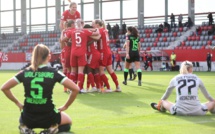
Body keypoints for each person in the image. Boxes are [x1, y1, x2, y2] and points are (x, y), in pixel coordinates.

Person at [1, 44, 79, 134]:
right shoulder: (53, 72)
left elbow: (4, 88)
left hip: (27, 117)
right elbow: (75, 89)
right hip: (49, 115)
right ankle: (49, 131)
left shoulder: (25, 72)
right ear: (49, 56)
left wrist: (18, 103)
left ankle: (26, 129)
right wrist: (66, 106)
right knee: (68, 123)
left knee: (23, 119)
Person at [151, 61, 215, 116]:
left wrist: (161, 101)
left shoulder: (175, 78)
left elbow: (167, 94)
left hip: (179, 111)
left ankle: (160, 107)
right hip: (198, 111)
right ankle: (213, 110)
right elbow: (208, 96)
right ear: (191, 69)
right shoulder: (197, 78)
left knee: (163, 101)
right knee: (212, 102)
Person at [62, 19, 100, 93]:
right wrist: (92, 28)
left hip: (73, 52)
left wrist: (70, 39)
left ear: (75, 24)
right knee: (80, 71)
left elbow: (63, 39)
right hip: (82, 52)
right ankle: (80, 88)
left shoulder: (71, 31)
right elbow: (97, 33)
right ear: (82, 24)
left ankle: (71, 88)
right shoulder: (85, 31)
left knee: (73, 71)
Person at [93, 20, 121, 92]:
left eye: (93, 24)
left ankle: (108, 88)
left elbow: (96, 36)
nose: (92, 25)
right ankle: (118, 86)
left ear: (97, 24)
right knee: (110, 70)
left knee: (101, 71)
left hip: (103, 52)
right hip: (108, 51)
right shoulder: (105, 30)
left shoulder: (99, 30)